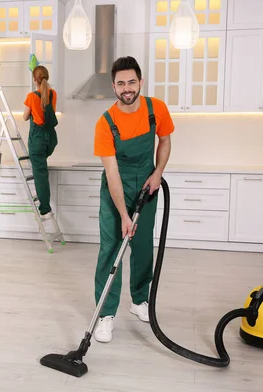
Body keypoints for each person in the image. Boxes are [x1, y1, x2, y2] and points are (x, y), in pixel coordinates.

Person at [92, 56, 174, 343]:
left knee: (142, 245)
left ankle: (140, 300)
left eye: (131, 82)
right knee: (112, 247)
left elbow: (164, 140)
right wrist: (124, 216)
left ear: (140, 82)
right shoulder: (105, 123)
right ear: (113, 87)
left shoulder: (157, 109)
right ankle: (105, 314)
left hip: (147, 183)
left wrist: (158, 172)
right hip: (117, 186)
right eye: (120, 83)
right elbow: (112, 172)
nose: (126, 88)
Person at [22, 65, 58, 218]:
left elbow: (25, 117)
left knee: (40, 174)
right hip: (50, 139)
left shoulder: (31, 96)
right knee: (42, 171)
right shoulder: (52, 94)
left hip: (37, 140)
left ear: (34, 79)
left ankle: (45, 208)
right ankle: (45, 204)